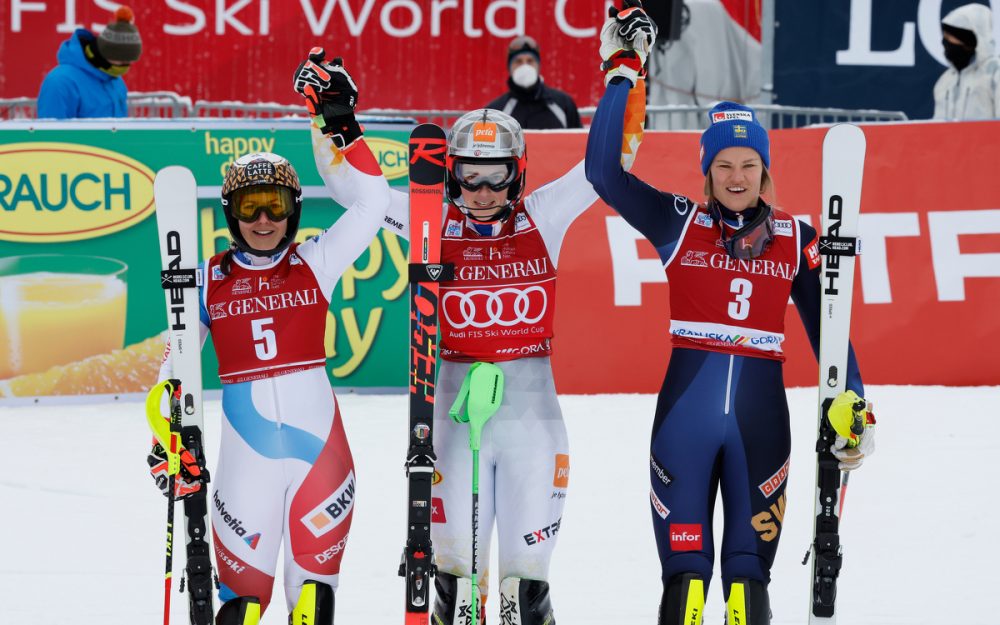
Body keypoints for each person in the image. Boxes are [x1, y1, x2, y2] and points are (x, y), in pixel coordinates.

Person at [303, 53, 645, 625]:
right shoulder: (429, 219)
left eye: (496, 175)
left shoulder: (544, 216)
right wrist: (333, 119)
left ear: (519, 172)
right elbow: (350, 191)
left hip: (534, 423)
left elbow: (614, 159)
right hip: (451, 423)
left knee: (525, 594)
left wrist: (629, 74)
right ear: (450, 172)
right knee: (454, 591)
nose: (482, 191)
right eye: (468, 175)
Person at [585, 6, 877, 624]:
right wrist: (621, 70)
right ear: (706, 171)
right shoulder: (677, 221)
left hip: (760, 425)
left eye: (748, 164)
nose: (737, 176)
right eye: (723, 165)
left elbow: (828, 325)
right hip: (684, 425)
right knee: (685, 580)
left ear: (764, 169)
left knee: (748, 581)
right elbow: (604, 173)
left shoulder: (797, 236)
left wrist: (852, 396)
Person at [147, 55, 390, 625]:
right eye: (250, 208)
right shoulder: (206, 278)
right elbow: (172, 364)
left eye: (275, 206)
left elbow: (375, 202)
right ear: (231, 214)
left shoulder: (317, 261)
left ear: (293, 210)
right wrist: (163, 437)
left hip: (321, 460)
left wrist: (342, 125)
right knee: (239, 611)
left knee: (314, 604)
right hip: (243, 468)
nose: (263, 220)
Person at [37, 6, 142, 119]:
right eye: (122, 61)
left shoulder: (115, 80)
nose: (125, 67)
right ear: (107, 53)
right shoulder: (61, 82)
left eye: (129, 62)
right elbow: (51, 135)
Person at [485, 35, 582, 130]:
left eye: (530, 61)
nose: (524, 66)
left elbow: (579, 143)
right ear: (509, 67)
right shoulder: (496, 112)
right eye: (518, 61)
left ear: (538, 65)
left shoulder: (563, 103)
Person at [933, 2, 1000, 120]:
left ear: (969, 42)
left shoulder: (995, 73)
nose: (945, 42)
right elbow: (938, 128)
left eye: (950, 37)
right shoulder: (945, 80)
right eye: (944, 36)